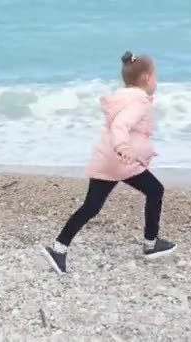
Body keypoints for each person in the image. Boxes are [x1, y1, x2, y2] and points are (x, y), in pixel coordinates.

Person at [42, 51, 176, 274]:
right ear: (146, 79)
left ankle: (59, 248)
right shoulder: (138, 103)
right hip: (122, 160)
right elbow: (120, 126)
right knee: (155, 190)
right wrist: (123, 146)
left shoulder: (123, 98)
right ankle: (151, 244)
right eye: (155, 76)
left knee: (91, 206)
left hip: (106, 158)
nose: (156, 81)